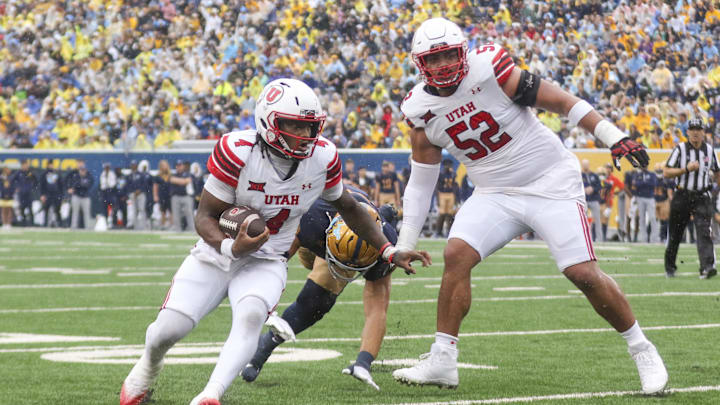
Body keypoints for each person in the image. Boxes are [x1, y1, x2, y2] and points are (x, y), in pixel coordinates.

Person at [391, 18, 667, 394]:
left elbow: (563, 102)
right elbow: (422, 181)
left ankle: (642, 348)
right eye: (433, 58)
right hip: (493, 193)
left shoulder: (490, 68)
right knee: (456, 253)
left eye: (447, 55)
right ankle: (442, 360)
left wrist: (612, 135)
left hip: (549, 181)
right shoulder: (419, 108)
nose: (441, 65)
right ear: (420, 63)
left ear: (463, 52)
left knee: (581, 272)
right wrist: (406, 241)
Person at [119, 79, 429, 405]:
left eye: (310, 127)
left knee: (252, 315)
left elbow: (350, 207)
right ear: (268, 120)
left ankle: (210, 395)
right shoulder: (237, 151)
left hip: (268, 258)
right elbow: (204, 217)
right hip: (215, 252)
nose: (304, 135)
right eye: (293, 124)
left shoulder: (322, 157)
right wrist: (230, 247)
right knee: (165, 332)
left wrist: (389, 250)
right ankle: (148, 367)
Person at [241, 187, 399, 390]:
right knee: (305, 267)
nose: (344, 269)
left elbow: (377, 309)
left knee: (316, 301)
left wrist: (364, 361)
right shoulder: (311, 218)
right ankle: (263, 345)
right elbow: (277, 262)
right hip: (318, 225)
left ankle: (263, 348)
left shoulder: (386, 247)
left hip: (355, 238)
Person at [663, 118, 719, 279]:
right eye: (692, 129)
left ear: (703, 132)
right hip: (682, 195)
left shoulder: (709, 150)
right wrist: (685, 169)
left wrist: (714, 190)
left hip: (702, 196)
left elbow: (717, 172)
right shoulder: (680, 149)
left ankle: (707, 267)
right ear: (687, 132)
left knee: (704, 232)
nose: (695, 132)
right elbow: (666, 172)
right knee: (675, 233)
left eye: (698, 129)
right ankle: (670, 267)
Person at [633, 165, 659, 243]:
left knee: (652, 218)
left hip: (650, 198)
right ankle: (643, 238)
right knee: (642, 218)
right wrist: (645, 183)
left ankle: (654, 238)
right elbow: (635, 184)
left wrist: (642, 183)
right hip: (640, 197)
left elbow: (653, 184)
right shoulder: (638, 175)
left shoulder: (652, 174)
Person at [169, 160, 195, 232]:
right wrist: (183, 181)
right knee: (176, 214)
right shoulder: (173, 174)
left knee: (189, 213)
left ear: (183, 166)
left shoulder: (187, 174)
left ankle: (192, 229)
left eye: (180, 165)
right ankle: (177, 229)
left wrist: (180, 181)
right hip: (176, 196)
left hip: (186, 196)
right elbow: (172, 180)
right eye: (178, 165)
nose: (179, 167)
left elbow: (187, 181)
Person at [67, 161, 94, 229]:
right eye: (81, 170)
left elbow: (87, 185)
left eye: (83, 170)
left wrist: (80, 185)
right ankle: (73, 227)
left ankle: (87, 227)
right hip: (76, 196)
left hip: (85, 196)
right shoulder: (75, 175)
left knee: (87, 213)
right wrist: (78, 185)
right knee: (75, 213)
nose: (82, 171)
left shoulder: (88, 176)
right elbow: (74, 184)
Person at [581, 159, 603, 241]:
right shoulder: (580, 176)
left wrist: (592, 188)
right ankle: (587, 239)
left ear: (589, 165)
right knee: (584, 221)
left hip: (594, 200)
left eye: (586, 164)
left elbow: (600, 186)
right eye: (584, 165)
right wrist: (584, 189)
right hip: (584, 200)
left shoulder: (594, 175)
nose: (585, 166)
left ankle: (600, 239)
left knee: (597, 220)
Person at [435, 159, 458, 238]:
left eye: (450, 165)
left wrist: (455, 199)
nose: (449, 167)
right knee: (442, 214)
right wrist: (437, 199)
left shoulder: (453, 174)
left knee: (450, 214)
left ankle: (449, 231)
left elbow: (455, 186)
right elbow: (437, 187)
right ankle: (438, 231)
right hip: (442, 194)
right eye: (447, 165)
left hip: (451, 194)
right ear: (444, 165)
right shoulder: (441, 174)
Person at [11, 159, 37, 226]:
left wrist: (32, 188)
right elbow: (12, 181)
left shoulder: (30, 173)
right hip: (22, 194)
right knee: (22, 209)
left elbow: (35, 181)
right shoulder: (18, 173)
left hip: (28, 193)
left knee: (30, 209)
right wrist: (16, 187)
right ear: (22, 166)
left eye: (26, 165)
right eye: (24, 165)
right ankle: (23, 223)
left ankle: (32, 223)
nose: (25, 166)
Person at [127, 160, 151, 230]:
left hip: (141, 194)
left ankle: (143, 226)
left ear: (137, 166)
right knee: (134, 211)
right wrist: (132, 192)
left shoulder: (141, 175)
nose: (133, 166)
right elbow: (128, 186)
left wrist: (139, 190)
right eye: (132, 165)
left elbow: (144, 185)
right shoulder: (129, 176)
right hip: (133, 195)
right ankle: (136, 227)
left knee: (142, 209)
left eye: (134, 165)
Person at [40, 159, 64, 228]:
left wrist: (62, 195)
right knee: (46, 210)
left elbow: (61, 185)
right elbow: (42, 185)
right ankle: (45, 225)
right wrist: (42, 195)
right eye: (49, 164)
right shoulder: (44, 174)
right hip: (47, 195)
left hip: (56, 195)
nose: (51, 166)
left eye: (51, 164)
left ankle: (60, 224)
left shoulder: (57, 173)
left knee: (57, 210)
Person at [152, 160, 172, 229]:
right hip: (162, 195)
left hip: (170, 195)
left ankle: (172, 225)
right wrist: (155, 195)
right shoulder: (158, 176)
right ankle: (163, 225)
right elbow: (155, 186)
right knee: (163, 211)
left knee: (171, 211)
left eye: (165, 165)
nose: (164, 167)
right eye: (163, 166)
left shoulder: (170, 175)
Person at [99, 162, 117, 227]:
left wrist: (107, 182)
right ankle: (106, 222)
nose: (106, 169)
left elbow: (112, 184)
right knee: (105, 208)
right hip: (104, 193)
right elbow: (102, 185)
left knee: (113, 208)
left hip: (111, 192)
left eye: (107, 167)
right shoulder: (103, 174)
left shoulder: (112, 174)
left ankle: (113, 222)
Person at [0, 165, 14, 229]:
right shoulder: (1, 178)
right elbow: (1, 187)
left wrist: (10, 193)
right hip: (3, 196)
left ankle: (9, 223)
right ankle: (4, 223)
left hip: (10, 196)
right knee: (3, 210)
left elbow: (12, 187)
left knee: (9, 210)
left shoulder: (11, 178)